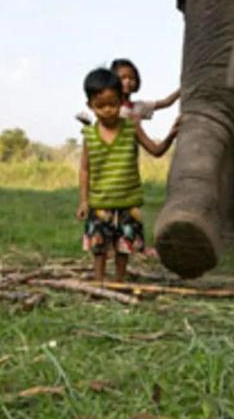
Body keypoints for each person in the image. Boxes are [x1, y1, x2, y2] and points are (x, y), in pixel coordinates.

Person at [76, 68, 179, 285]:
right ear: (90, 106)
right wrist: (84, 201)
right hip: (100, 203)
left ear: (122, 101)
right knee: (99, 246)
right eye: (100, 106)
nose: (107, 110)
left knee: (124, 247)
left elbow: (156, 150)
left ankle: (119, 282)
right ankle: (99, 282)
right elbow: (85, 169)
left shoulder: (132, 127)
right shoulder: (89, 135)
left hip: (128, 202)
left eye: (113, 104)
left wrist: (171, 135)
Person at [75, 57, 179, 127]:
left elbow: (166, 102)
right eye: (123, 78)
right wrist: (88, 125)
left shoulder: (139, 106)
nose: (128, 81)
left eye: (131, 78)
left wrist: (184, 89)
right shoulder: (109, 107)